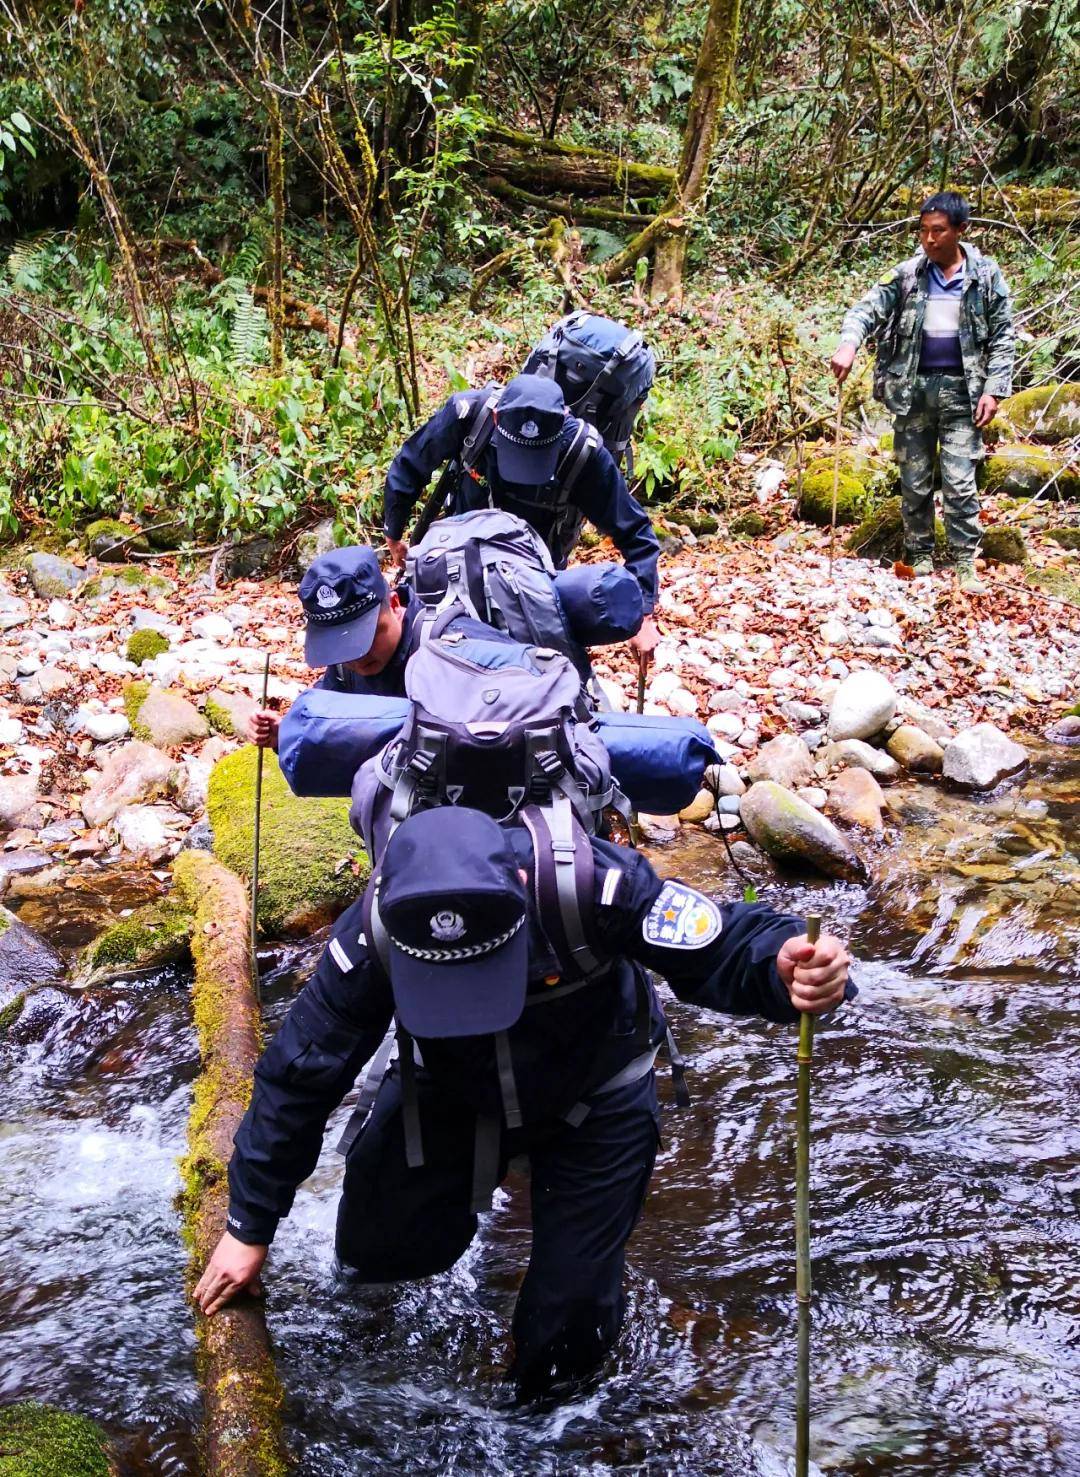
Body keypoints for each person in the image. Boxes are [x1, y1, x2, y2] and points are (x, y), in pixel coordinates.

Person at [193, 805, 853, 1393]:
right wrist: (249, 1227)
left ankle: (541, 1423)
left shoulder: (592, 885)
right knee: (375, 1256)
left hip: (596, 1097)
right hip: (453, 1088)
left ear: (519, 891)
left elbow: (721, 941)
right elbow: (299, 1075)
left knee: (568, 1329)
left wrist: (783, 966)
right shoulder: (372, 933)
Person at [381, 373, 661, 666]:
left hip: (533, 581)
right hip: (456, 565)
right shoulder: (468, 416)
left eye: (536, 459)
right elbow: (411, 462)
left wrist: (640, 613)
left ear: (564, 419)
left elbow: (635, 533)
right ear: (497, 417)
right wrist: (394, 532)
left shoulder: (583, 454)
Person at [830, 191, 1015, 593]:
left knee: (960, 479)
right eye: (923, 231)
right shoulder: (907, 275)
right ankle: (920, 555)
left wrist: (994, 390)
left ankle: (966, 561)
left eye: (938, 231)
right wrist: (849, 343)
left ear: (959, 231)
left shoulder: (984, 276)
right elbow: (866, 309)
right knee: (914, 479)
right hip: (911, 389)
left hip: (963, 392)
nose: (929, 240)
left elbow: (1003, 336)